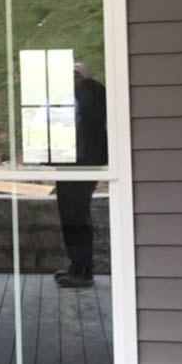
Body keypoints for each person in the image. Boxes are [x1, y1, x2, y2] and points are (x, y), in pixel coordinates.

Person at [55, 62, 107, 289]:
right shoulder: (75, 97)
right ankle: (77, 265)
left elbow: (89, 114)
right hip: (70, 160)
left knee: (76, 215)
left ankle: (83, 270)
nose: (73, 80)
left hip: (83, 162)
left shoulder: (91, 93)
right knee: (69, 215)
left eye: (76, 75)